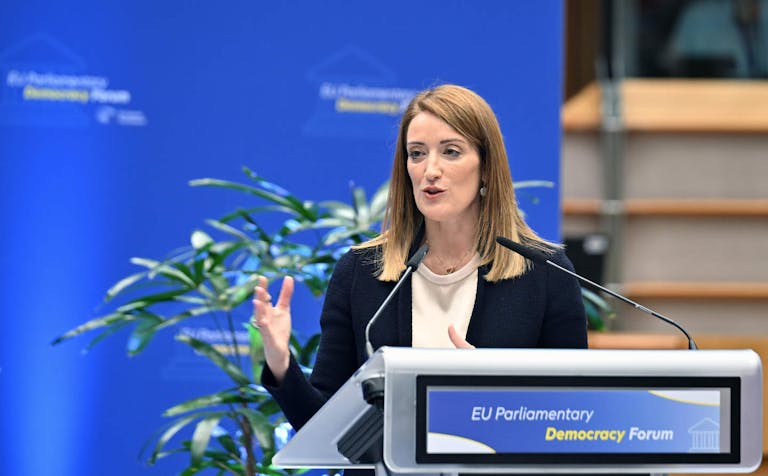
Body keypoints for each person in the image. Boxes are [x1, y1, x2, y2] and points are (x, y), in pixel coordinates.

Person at [252, 84, 587, 433]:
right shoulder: (361, 271)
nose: (430, 170)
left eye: (451, 152)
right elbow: (323, 428)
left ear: (486, 167)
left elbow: (572, 415)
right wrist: (280, 363)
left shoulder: (546, 274)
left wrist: (493, 396)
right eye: (417, 154)